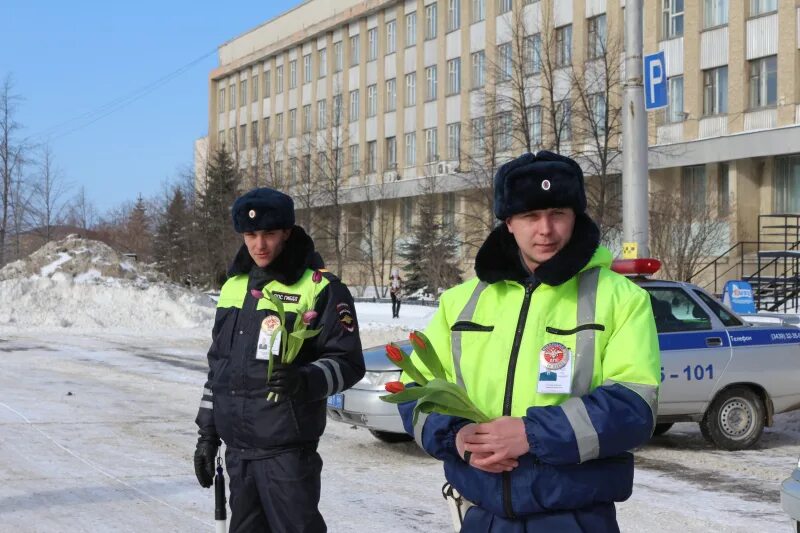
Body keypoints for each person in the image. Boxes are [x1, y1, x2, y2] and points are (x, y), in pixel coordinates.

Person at [398, 151, 661, 532]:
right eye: (529, 216)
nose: (545, 230)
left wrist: (531, 434)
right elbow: (416, 390)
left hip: (575, 518)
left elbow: (635, 407)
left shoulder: (621, 299)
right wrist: (455, 437)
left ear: (576, 216)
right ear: (508, 222)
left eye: (557, 213)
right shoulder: (462, 302)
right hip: (482, 516)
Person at [193, 187, 365, 533]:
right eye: (251, 234)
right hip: (239, 453)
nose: (259, 245)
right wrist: (207, 435)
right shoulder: (234, 287)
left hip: (287, 455)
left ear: (286, 232)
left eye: (269, 234)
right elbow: (219, 370)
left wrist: (306, 380)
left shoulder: (319, 287)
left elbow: (348, 363)